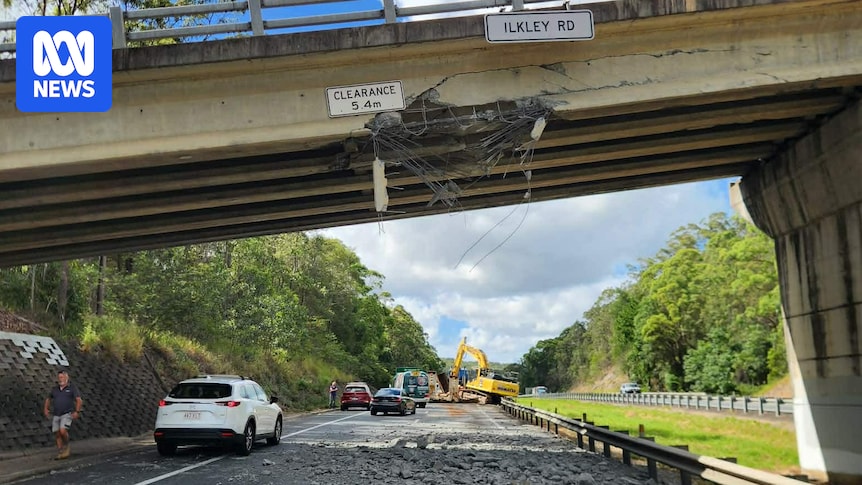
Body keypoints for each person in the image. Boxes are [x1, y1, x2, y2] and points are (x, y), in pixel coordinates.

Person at [43, 370, 83, 460]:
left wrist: (77, 411)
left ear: (66, 378)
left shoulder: (72, 388)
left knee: (62, 430)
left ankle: (66, 446)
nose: (60, 379)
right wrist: (45, 408)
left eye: (62, 377)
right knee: (57, 433)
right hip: (56, 413)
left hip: (67, 413)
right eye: (59, 377)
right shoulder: (55, 389)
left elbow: (79, 400)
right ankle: (61, 451)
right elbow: (48, 399)